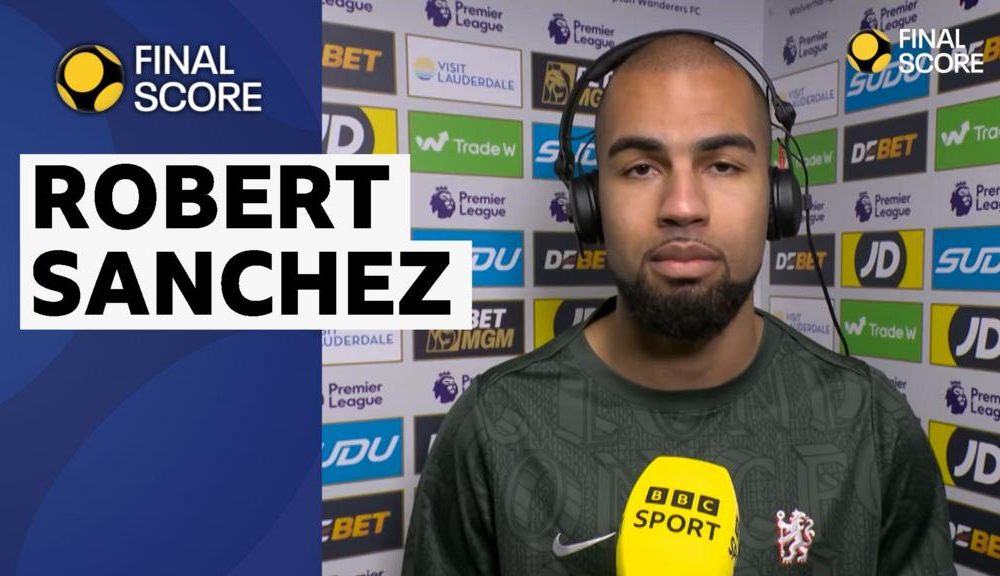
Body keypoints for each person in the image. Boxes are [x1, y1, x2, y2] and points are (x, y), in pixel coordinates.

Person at [402, 33, 955, 575]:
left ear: (777, 197)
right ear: (590, 205)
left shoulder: (871, 425)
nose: (683, 206)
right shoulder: (495, 428)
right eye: (641, 168)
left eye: (722, 165)